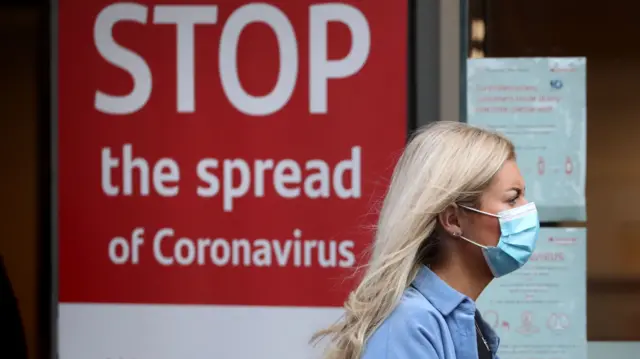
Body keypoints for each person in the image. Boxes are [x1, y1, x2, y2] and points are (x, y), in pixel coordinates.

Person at [311, 121, 539, 359]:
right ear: (453, 220)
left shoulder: (459, 322)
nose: (527, 210)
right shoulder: (409, 326)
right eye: (513, 199)